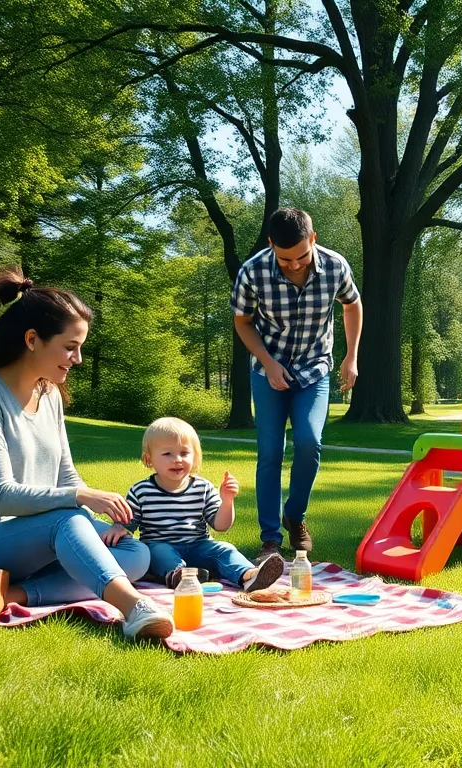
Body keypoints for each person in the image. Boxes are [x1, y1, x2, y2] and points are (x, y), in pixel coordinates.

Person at [0, 269, 174, 640]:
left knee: (134, 552)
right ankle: (133, 608)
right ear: (32, 340)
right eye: (70, 346)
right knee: (65, 519)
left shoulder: (50, 395)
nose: (78, 358)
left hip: (28, 538)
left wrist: (94, 515)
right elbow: (0, 496)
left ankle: (10, 594)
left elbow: (65, 477)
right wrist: (79, 499)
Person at [232, 208, 363, 560]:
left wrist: (351, 357)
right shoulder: (253, 271)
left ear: (313, 238)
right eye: (285, 258)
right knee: (270, 452)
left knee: (309, 441)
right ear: (271, 244)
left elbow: (352, 305)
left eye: (302, 256)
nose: (294, 265)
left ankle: (295, 516)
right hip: (268, 370)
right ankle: (270, 539)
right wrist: (267, 361)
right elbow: (242, 322)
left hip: (314, 368)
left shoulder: (335, 266)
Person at [100, 417, 285, 593]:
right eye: (167, 454)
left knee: (225, 549)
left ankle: (248, 576)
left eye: (184, 453)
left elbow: (221, 526)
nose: (178, 459)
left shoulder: (203, 488)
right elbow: (127, 522)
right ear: (149, 459)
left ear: (195, 457)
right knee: (158, 552)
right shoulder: (141, 491)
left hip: (199, 546)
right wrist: (119, 526)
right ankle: (180, 577)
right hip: (161, 546)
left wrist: (227, 501)